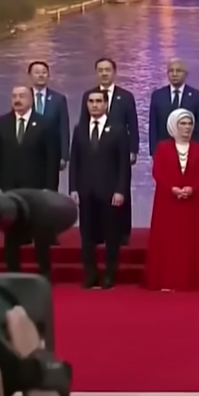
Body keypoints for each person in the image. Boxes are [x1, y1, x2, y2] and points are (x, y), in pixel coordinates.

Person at [0, 87, 57, 277]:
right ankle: (14, 274)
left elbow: (52, 159)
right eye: (14, 96)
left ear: (31, 99)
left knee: (40, 234)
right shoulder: (1, 123)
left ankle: (45, 273)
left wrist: (50, 188)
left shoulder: (46, 123)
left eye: (22, 96)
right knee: (11, 233)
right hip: (9, 189)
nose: (17, 99)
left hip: (37, 188)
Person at [69, 90, 129, 288]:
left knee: (112, 236)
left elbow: (123, 164)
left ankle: (110, 274)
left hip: (110, 192)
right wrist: (73, 188)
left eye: (98, 101)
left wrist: (121, 190)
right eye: (91, 101)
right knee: (86, 235)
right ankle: (91, 274)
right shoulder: (79, 129)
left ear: (105, 105)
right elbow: (75, 161)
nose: (94, 105)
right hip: (86, 191)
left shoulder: (118, 130)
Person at [145, 109, 199, 291]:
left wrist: (192, 188)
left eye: (190, 124)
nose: (187, 127)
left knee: (190, 240)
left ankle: (190, 280)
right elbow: (157, 172)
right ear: (174, 125)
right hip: (168, 200)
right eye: (183, 123)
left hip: (192, 202)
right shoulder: (163, 147)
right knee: (168, 240)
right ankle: (166, 279)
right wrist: (172, 188)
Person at [79, 58, 138, 245]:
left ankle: (123, 233)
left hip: (119, 150)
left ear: (114, 72)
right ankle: (97, 232)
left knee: (121, 190)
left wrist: (133, 149)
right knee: (96, 192)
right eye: (100, 70)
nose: (104, 73)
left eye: (107, 70)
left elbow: (133, 125)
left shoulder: (126, 96)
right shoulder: (88, 96)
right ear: (96, 73)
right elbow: (83, 122)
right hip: (96, 149)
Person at [148, 58, 199, 155]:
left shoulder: (197, 96)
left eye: (178, 71)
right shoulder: (157, 95)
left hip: (189, 151)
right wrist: (154, 152)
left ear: (186, 74)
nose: (174, 74)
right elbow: (153, 127)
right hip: (163, 151)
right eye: (171, 71)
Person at [28, 61, 69, 185]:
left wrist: (64, 156)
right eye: (37, 72)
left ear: (49, 75)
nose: (41, 75)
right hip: (28, 152)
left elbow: (64, 128)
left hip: (51, 154)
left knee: (50, 189)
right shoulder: (22, 97)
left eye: (44, 72)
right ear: (30, 75)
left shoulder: (59, 99)